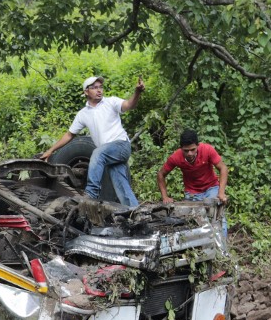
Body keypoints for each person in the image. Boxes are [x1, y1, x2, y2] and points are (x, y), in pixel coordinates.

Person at [40, 76, 144, 207]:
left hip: (121, 145)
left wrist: (137, 92)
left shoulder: (111, 102)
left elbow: (129, 105)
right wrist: (50, 151)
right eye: (94, 88)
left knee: (98, 153)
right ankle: (135, 211)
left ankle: (91, 194)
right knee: (121, 187)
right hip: (109, 154)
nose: (99, 90)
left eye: (100, 87)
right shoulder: (83, 114)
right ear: (86, 92)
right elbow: (69, 135)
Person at [157, 129, 228, 236]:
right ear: (181, 148)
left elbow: (223, 168)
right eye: (186, 151)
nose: (189, 153)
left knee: (217, 216)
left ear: (197, 146)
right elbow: (161, 174)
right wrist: (165, 197)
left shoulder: (207, 150)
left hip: (211, 188)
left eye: (192, 149)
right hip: (192, 192)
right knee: (190, 223)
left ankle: (222, 247)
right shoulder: (176, 157)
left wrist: (221, 192)